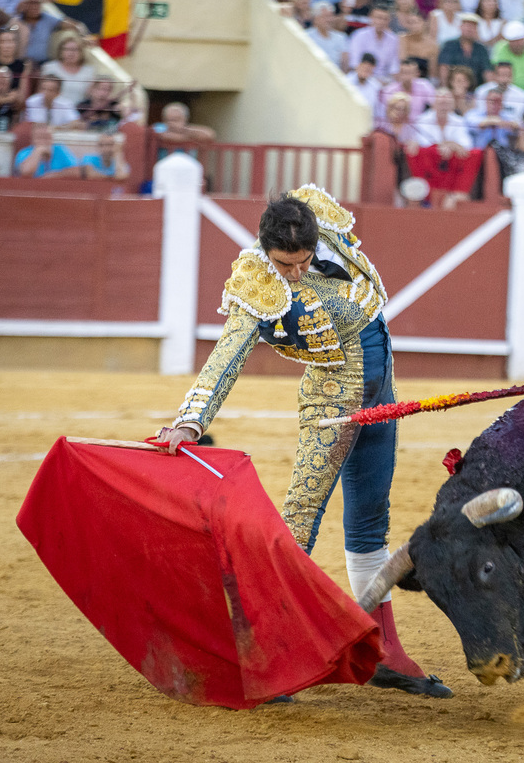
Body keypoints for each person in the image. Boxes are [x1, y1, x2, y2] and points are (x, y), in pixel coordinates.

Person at [157, 190, 450, 699]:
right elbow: (226, 356)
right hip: (332, 407)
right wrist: (190, 422)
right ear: (266, 249)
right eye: (283, 263)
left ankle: (383, 651)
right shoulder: (257, 282)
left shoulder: (328, 231)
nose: (293, 273)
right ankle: (266, 654)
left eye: (302, 261)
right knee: (300, 521)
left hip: (383, 401)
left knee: (369, 523)